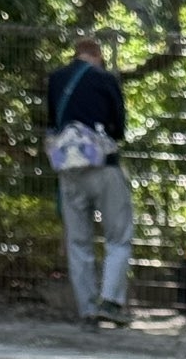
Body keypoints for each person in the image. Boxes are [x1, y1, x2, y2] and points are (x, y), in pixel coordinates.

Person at [45, 36, 133, 327]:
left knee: (78, 240)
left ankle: (87, 309)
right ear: (98, 55)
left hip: (68, 169)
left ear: (77, 54)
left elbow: (52, 122)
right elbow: (119, 128)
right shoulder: (106, 79)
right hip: (104, 167)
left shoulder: (56, 79)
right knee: (118, 236)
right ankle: (110, 301)